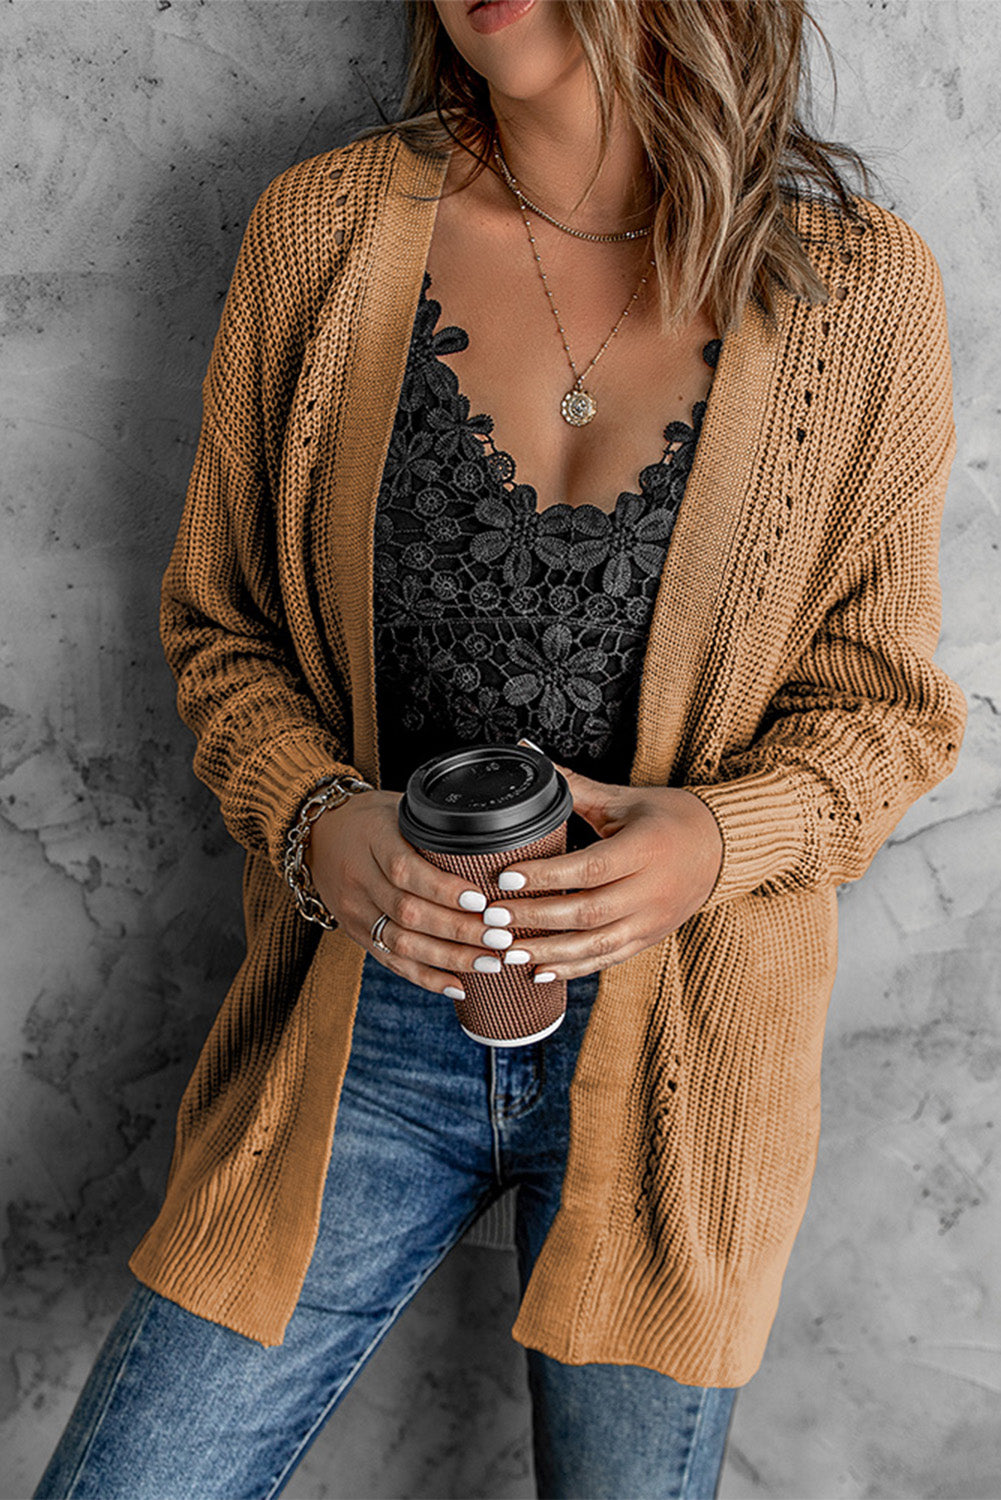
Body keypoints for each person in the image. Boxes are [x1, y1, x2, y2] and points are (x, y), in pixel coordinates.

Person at [34, 1, 965, 1497]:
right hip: (362, 1025)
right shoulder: (324, 232)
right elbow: (220, 626)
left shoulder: (854, 286)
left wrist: (716, 841)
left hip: (679, 1058)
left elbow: (888, 702)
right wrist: (318, 821)